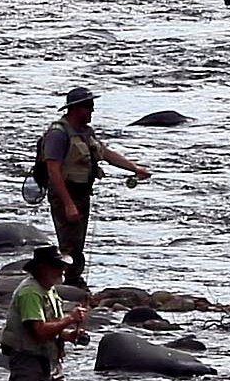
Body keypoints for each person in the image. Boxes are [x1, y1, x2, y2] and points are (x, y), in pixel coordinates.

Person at [38, 86, 151, 287]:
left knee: (77, 242)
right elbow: (53, 171)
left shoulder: (85, 132)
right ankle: (67, 284)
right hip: (66, 193)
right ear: (75, 109)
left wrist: (134, 168)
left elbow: (105, 153)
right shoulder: (58, 134)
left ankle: (71, 281)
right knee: (69, 244)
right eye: (88, 106)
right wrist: (67, 203)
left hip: (82, 192)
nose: (92, 110)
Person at [0, 245, 88, 381]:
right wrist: (69, 319)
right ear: (41, 268)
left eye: (63, 266)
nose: (63, 270)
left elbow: (49, 328)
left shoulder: (49, 290)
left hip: (50, 361)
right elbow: (38, 331)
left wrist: (68, 336)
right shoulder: (30, 293)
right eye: (57, 266)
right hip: (28, 361)